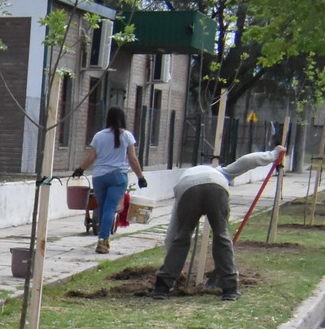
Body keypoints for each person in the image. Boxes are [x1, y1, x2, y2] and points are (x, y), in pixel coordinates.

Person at [151, 145, 282, 302]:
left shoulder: (186, 177)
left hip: (187, 189)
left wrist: (170, 257)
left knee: (182, 236)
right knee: (221, 235)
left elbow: (173, 232)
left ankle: (162, 288)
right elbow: (247, 161)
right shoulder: (221, 172)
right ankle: (229, 289)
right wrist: (273, 154)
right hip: (217, 186)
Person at [73, 107, 148, 255]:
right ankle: (103, 241)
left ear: (107, 118)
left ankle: (104, 238)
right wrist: (141, 177)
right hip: (118, 177)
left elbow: (91, 157)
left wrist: (80, 169)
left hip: (99, 177)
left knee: (102, 207)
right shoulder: (127, 136)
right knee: (109, 208)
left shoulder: (99, 136)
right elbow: (133, 159)